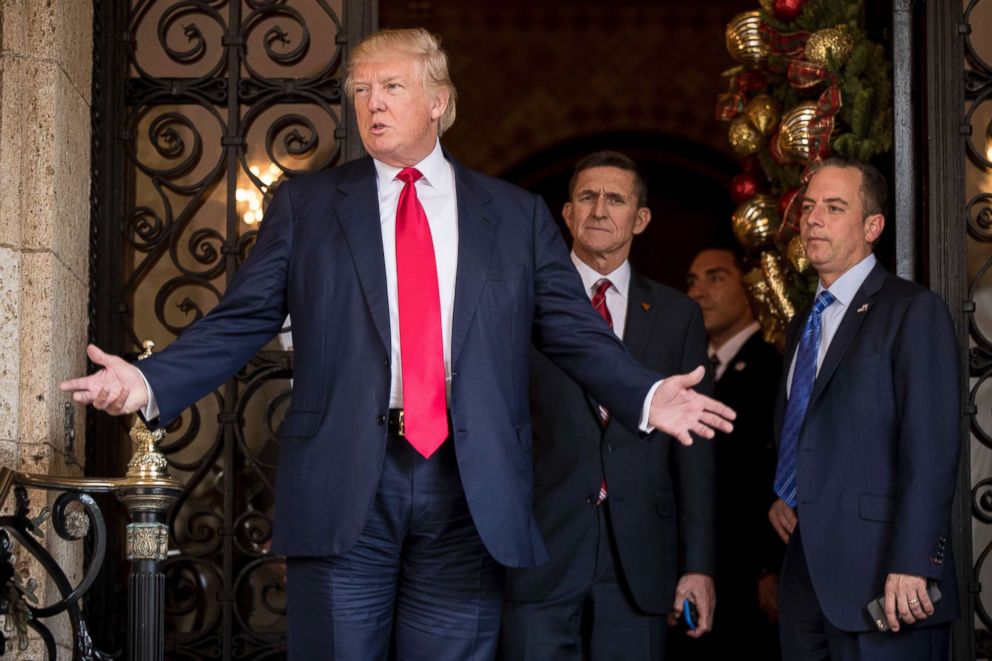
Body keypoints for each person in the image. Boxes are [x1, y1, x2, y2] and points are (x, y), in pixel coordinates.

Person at [60, 29, 734, 661]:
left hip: (469, 489)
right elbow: (242, 318)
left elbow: (571, 328)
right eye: (359, 90)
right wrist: (149, 381)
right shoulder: (308, 204)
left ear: (438, 102)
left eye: (391, 87)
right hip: (347, 478)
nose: (371, 104)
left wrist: (644, 393)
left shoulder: (514, 216)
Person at [500, 151, 717, 660]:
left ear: (639, 220)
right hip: (539, 549)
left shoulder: (676, 314)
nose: (599, 209)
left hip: (639, 558)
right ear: (567, 213)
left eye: (615, 199)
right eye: (587, 197)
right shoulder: (518, 302)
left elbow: (694, 453)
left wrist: (699, 565)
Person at [767, 156, 960, 660]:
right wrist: (786, 492)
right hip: (805, 576)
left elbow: (931, 445)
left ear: (872, 226)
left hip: (888, 581)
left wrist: (915, 562)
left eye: (833, 208)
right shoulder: (802, 324)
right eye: (808, 207)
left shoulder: (911, 310)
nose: (812, 219)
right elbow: (812, 429)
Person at [681, 247, 783, 661]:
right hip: (699, 567)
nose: (699, 292)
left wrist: (771, 566)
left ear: (749, 288)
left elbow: (778, 469)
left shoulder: (773, 363)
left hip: (752, 575)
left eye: (715, 278)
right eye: (691, 281)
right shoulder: (686, 368)